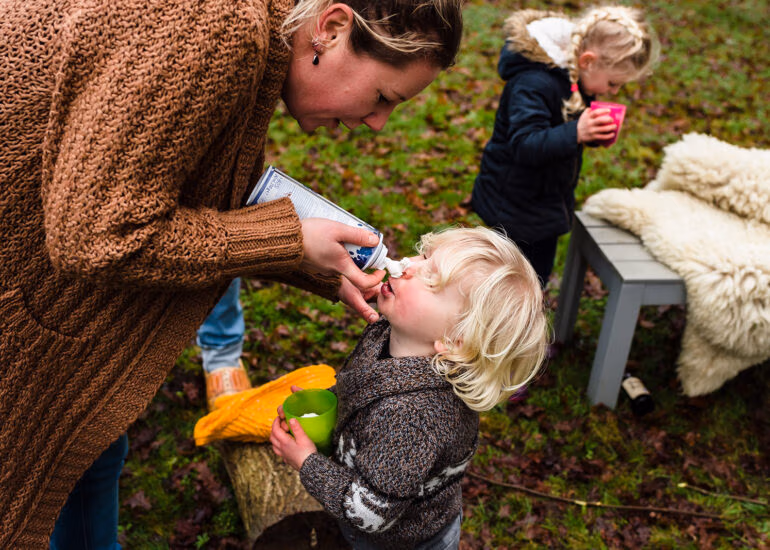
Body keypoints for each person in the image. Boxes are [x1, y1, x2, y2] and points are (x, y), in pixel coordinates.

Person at [0, 0, 464, 547]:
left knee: (88, 443)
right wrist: (286, 238)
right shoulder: (216, 30)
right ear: (332, 29)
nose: (377, 122)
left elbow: (193, 182)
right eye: (383, 96)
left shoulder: (254, 44)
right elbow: (98, 235)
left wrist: (308, 259)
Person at [271, 226, 550, 549]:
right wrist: (335, 405)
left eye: (430, 279)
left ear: (452, 340)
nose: (405, 264)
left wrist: (307, 462)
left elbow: (370, 513)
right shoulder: (390, 333)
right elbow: (367, 392)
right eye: (423, 256)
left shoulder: (412, 420)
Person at [471, 6, 659, 286]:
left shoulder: (573, 79)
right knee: (508, 282)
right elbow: (525, 144)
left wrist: (588, 134)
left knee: (535, 278)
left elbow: (555, 133)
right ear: (588, 60)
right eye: (613, 83)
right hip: (514, 208)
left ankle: (523, 316)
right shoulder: (533, 83)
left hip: (543, 204)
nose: (614, 91)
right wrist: (575, 132)